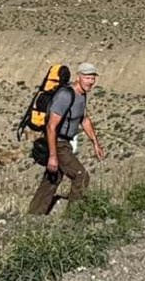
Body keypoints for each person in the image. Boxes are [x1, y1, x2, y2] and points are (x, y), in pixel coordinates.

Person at [29, 63, 104, 215]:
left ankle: (33, 216)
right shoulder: (65, 95)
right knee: (81, 176)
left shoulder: (82, 95)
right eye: (87, 78)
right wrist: (52, 155)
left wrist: (95, 143)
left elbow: (83, 119)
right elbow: (51, 127)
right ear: (79, 77)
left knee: (52, 179)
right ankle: (72, 218)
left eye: (92, 78)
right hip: (58, 142)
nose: (90, 82)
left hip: (65, 143)